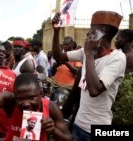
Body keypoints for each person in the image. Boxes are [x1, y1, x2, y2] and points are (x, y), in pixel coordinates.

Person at [51, 11, 126, 141]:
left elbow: (94, 90)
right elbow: (58, 56)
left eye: (92, 30)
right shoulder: (86, 53)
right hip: (78, 125)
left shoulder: (117, 58)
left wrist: (89, 54)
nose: (87, 34)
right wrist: (56, 31)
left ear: (102, 32)